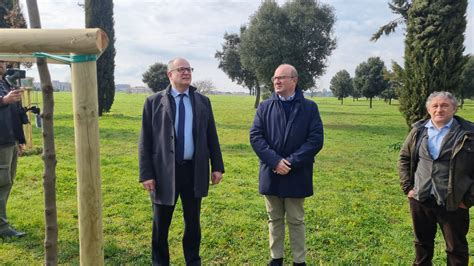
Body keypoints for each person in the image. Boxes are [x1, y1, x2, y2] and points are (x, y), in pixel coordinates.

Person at [139, 57, 224, 265]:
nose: (186, 72)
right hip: (163, 173)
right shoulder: (153, 102)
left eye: (189, 69)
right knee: (160, 225)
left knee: (193, 223)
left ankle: (193, 261)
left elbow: (211, 135)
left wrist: (217, 167)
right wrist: (146, 174)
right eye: (181, 69)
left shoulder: (203, 102)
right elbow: (145, 140)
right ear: (170, 75)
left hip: (194, 171)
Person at [250, 64, 324, 266]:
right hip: (271, 171)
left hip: (296, 172)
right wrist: (275, 161)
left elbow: (316, 140)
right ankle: (276, 258)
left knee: (296, 220)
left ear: (294, 80)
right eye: (274, 78)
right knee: (274, 218)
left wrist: (290, 161)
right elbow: (256, 137)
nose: (276, 81)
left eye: (281, 77)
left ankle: (299, 261)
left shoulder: (309, 108)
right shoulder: (265, 106)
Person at [398, 91, 474, 265]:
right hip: (421, 198)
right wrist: (408, 187)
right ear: (429, 109)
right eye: (435, 106)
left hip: (454, 201)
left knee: (456, 248)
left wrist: (468, 199)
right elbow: (404, 158)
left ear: (454, 108)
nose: (439, 109)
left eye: (444, 105)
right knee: (422, 244)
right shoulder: (418, 131)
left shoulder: (469, 134)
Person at [0, 60, 26, 237]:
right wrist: (4, 100)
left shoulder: (5, 82)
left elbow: (14, 112)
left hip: (10, 140)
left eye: (4, 61)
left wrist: (20, 139)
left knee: (7, 182)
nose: (3, 64)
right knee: (2, 183)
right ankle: (2, 228)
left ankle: (2, 223)